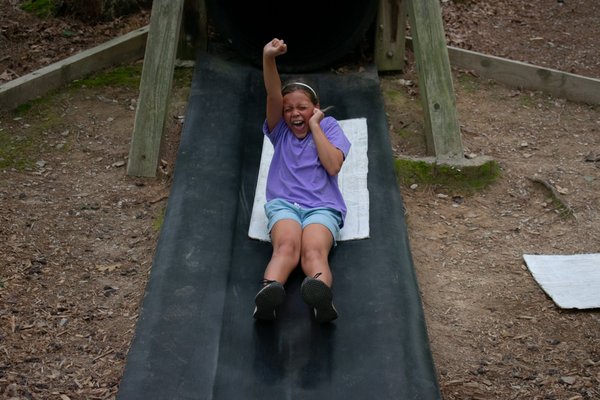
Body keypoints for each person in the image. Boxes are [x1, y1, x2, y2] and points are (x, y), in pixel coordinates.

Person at [253, 38, 351, 323]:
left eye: (303, 108)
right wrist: (268, 57)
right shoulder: (279, 130)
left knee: (313, 250)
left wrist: (315, 126)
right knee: (286, 247)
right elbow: (273, 94)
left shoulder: (329, 127)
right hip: (285, 204)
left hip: (322, 206)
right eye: (289, 109)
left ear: (316, 108)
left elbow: (333, 166)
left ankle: (320, 296)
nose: (295, 113)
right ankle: (268, 294)